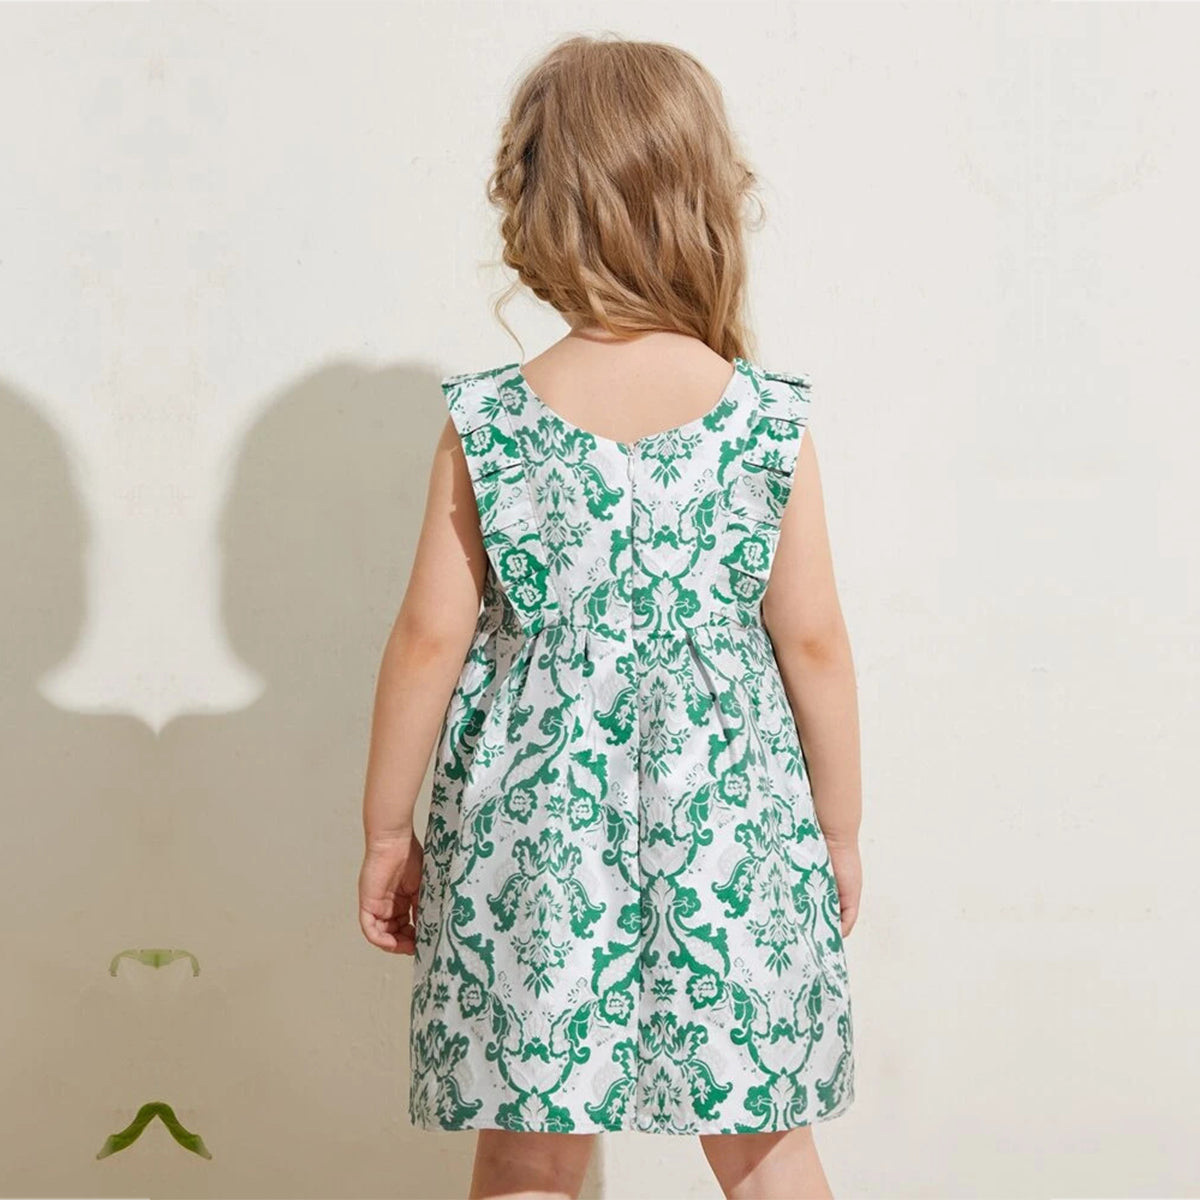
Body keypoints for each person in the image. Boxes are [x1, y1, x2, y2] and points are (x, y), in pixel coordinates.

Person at [358, 32, 863, 1200]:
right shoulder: (766, 423)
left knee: (529, 1146)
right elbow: (815, 644)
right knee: (765, 1137)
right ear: (706, 201)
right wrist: (836, 831)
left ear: (535, 206)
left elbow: (428, 641)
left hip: (534, 834)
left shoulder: (491, 423)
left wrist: (388, 831)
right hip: (734, 828)